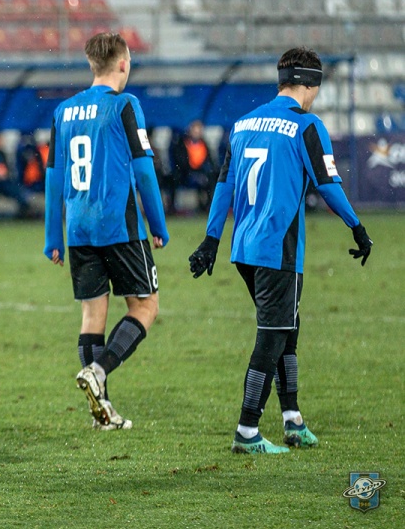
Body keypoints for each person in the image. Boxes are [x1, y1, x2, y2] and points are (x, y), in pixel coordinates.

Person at [188, 47, 373, 454]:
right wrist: (357, 227)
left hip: (244, 247)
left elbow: (224, 186)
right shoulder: (306, 125)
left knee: (288, 328)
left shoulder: (243, 124)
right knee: (272, 336)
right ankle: (247, 431)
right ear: (309, 84)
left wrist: (211, 240)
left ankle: (293, 419)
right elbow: (327, 185)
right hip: (277, 247)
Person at [43, 32, 169, 432]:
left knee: (92, 315)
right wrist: (158, 224)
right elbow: (144, 170)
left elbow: (54, 177)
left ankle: (103, 412)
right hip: (119, 224)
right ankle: (98, 371)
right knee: (145, 307)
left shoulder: (64, 111)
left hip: (79, 228)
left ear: (91, 64)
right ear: (123, 64)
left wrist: (53, 236)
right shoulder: (125, 105)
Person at [169, 119, 218, 214]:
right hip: (185, 173)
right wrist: (191, 172)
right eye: (195, 130)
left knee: (210, 178)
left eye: (199, 130)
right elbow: (180, 162)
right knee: (174, 179)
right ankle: (172, 207)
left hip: (201, 172)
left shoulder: (204, 144)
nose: (197, 133)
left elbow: (209, 161)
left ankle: (208, 206)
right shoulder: (182, 144)